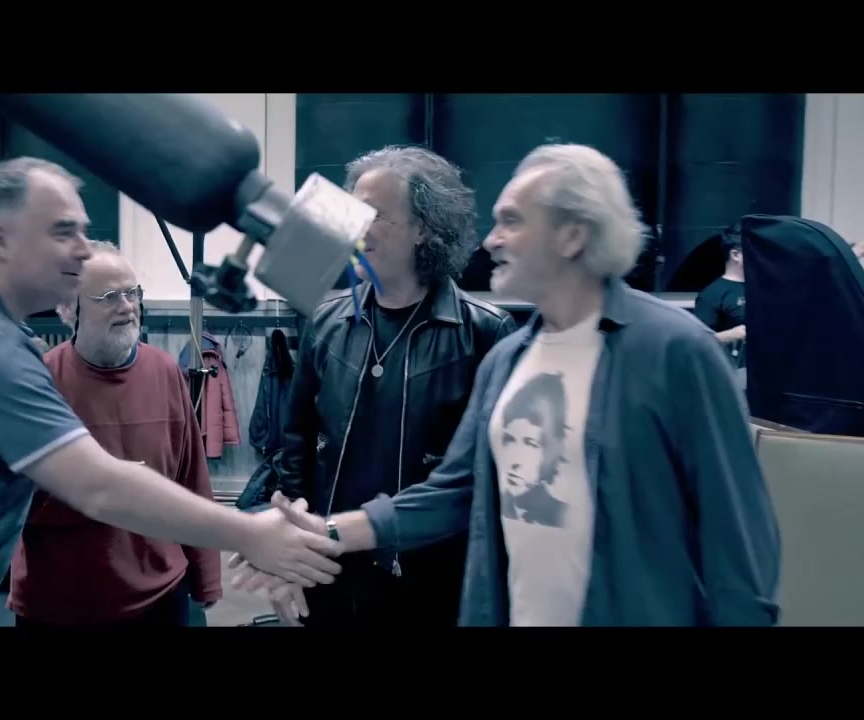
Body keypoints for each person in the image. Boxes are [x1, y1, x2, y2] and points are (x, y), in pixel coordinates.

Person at [236, 143, 781, 627]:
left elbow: (738, 543)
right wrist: (317, 536)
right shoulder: (511, 359)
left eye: (513, 222)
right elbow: (456, 492)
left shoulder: (676, 351)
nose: (492, 240)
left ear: (572, 234)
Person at [0, 156, 343, 627]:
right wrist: (250, 532)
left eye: (82, 230)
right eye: (62, 232)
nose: (82, 251)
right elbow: (98, 487)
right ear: (1, 239)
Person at [270, 144, 514, 626]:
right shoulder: (326, 322)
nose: (356, 226)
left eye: (376, 214)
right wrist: (290, 547)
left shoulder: (484, 332)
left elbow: (484, 481)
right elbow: (295, 446)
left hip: (432, 577)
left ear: (424, 228)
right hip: (331, 563)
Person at [7, 241, 223, 628]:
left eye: (132, 293)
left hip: (158, 597)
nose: (126, 306)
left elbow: (192, 479)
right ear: (70, 308)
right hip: (58, 601)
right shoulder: (39, 382)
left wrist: (207, 575)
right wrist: (100, 489)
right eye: (109, 297)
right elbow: (8, 501)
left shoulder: (165, 372)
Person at [693, 224, 747, 368]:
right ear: (735, 255)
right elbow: (698, 343)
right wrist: (732, 334)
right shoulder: (712, 294)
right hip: (731, 373)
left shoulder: (761, 289)